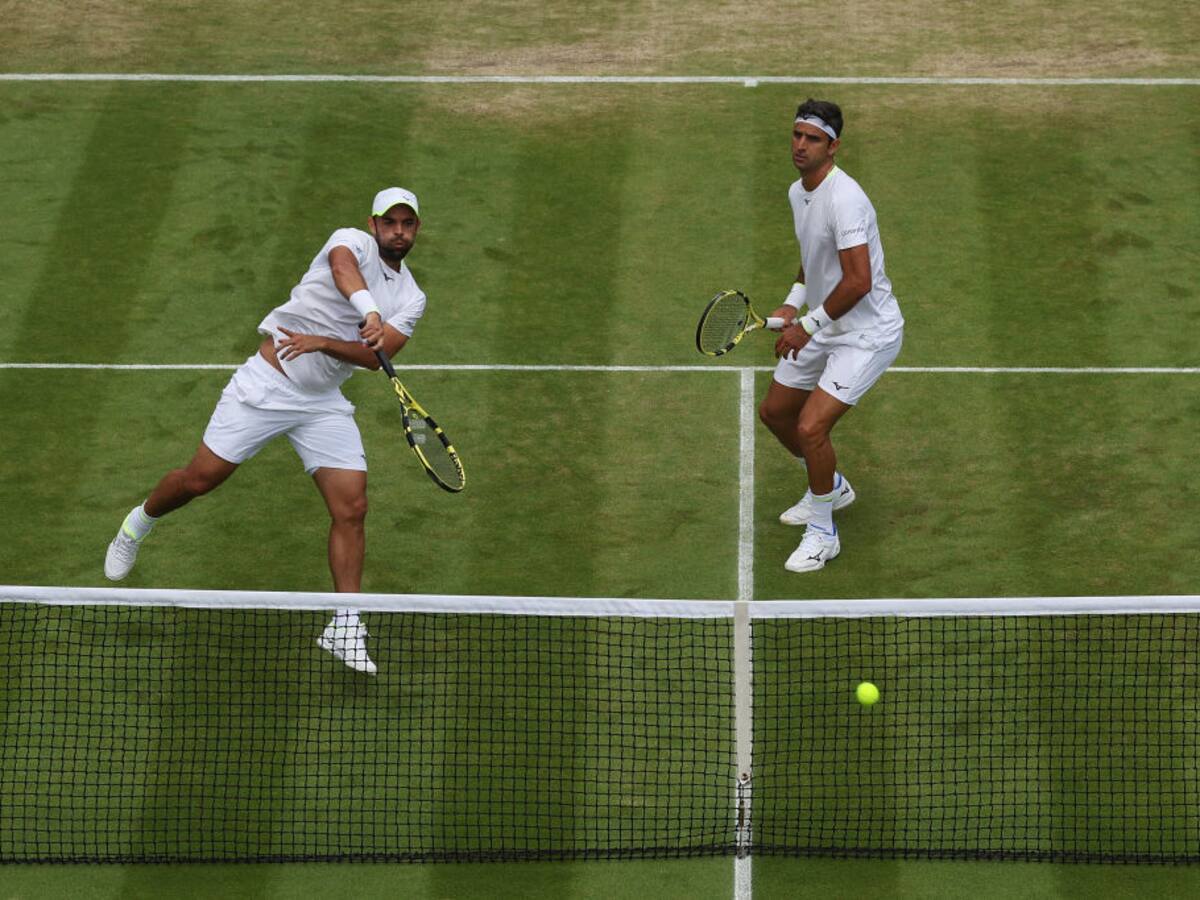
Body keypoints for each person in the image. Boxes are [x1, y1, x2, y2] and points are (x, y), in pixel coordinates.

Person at [104, 187, 430, 674]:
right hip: (267, 384)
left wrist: (324, 342)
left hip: (322, 404)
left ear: (416, 230)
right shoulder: (350, 243)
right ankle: (138, 523)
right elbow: (344, 271)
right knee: (199, 480)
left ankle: (345, 624)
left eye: (407, 224)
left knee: (353, 507)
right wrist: (368, 312)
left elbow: (374, 358)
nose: (398, 231)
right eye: (390, 222)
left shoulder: (412, 297)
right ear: (373, 224)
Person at [758, 100, 904, 574]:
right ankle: (831, 486)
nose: (800, 145)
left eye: (812, 139)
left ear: (833, 146)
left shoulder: (847, 199)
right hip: (826, 320)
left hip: (866, 334)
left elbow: (858, 281)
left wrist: (808, 326)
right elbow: (812, 255)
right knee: (776, 413)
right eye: (797, 135)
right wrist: (792, 300)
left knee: (811, 427)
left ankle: (823, 534)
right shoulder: (798, 192)